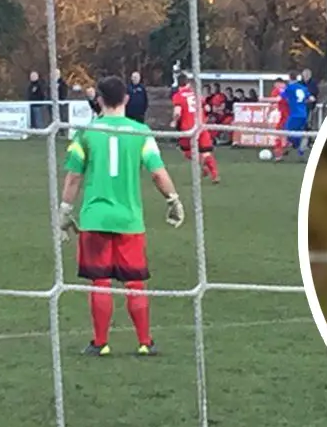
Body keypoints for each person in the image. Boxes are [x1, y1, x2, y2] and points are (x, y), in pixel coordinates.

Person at [57, 75, 186, 357]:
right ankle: (145, 342)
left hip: (95, 218)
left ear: (98, 100)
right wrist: (173, 199)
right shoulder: (141, 132)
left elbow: (73, 177)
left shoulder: (86, 133)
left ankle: (100, 343)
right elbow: (157, 172)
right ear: (126, 99)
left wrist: (64, 211)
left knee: (100, 281)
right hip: (129, 220)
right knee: (135, 282)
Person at [172, 71, 220, 183]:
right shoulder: (197, 94)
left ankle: (202, 164)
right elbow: (207, 108)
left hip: (187, 129)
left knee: (186, 151)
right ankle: (215, 175)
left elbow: (177, 112)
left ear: (178, 84)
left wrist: (174, 122)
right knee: (206, 152)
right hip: (201, 126)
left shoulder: (178, 96)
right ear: (188, 83)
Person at [281, 71, 313, 158]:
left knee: (287, 130)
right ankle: (300, 146)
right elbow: (312, 98)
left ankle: (299, 147)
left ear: (289, 78)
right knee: (298, 132)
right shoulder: (303, 88)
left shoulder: (290, 88)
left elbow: (282, 96)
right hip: (304, 114)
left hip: (295, 114)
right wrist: (303, 102)